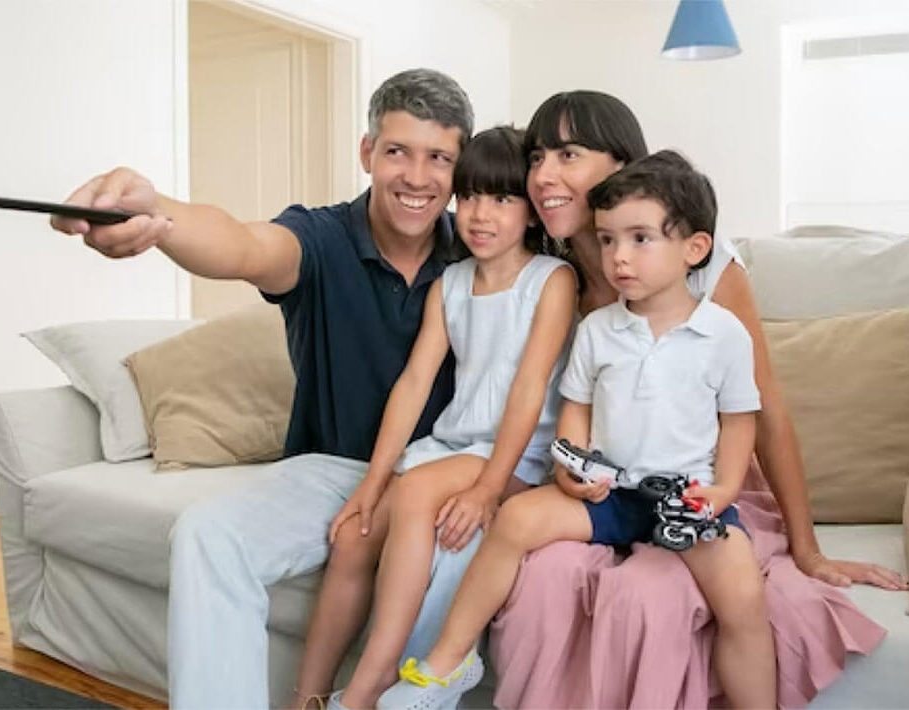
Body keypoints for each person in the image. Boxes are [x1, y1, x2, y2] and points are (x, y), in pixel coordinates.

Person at [49, 69, 496, 710]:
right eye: (398, 151)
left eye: (440, 158)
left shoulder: (481, 251)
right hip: (331, 471)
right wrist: (159, 213)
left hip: (441, 477)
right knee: (207, 533)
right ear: (367, 152)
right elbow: (240, 244)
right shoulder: (320, 237)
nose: (417, 177)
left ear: (461, 167)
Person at [487, 91, 903, 708]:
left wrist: (808, 548)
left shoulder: (695, 265)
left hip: (693, 479)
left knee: (665, 595)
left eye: (568, 155)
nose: (544, 176)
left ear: (622, 165)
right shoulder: (547, 266)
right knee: (544, 576)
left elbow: (761, 409)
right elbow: (553, 401)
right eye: (537, 158)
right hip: (605, 486)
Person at [379, 150, 777, 710]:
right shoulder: (597, 329)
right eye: (608, 240)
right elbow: (576, 410)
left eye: (640, 239)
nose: (618, 257)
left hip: (686, 500)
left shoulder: (724, 334)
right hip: (610, 495)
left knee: (742, 598)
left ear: (694, 248)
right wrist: (571, 466)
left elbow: (738, 423)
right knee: (515, 519)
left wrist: (724, 490)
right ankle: (448, 662)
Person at [296, 126, 576, 710]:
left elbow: (529, 391)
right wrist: (373, 482)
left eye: (501, 199)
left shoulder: (552, 280)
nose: (480, 214)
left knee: (418, 490)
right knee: (354, 535)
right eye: (468, 196)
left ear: (530, 210)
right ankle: (309, 698)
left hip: (520, 457)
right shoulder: (449, 284)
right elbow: (414, 382)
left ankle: (371, 685)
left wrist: (488, 489)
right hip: (453, 447)